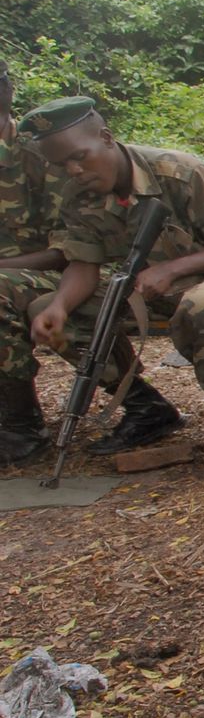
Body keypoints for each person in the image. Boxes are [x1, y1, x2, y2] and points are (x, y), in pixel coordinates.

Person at [21, 97, 204, 461]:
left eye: (80, 157)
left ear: (106, 137)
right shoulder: (77, 196)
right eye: (61, 165)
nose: (73, 171)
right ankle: (145, 407)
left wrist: (173, 269)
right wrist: (59, 306)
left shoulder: (178, 171)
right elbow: (83, 263)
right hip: (145, 289)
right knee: (48, 306)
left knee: (202, 303)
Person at [0, 63, 73, 465]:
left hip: (58, 271)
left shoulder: (40, 154)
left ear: (7, 91)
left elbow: (68, 248)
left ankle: (22, 424)